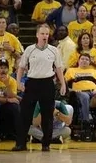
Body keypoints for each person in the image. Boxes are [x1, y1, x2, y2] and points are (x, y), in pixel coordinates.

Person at [13, 24, 66, 152]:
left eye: (46, 34)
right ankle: (21, 143)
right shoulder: (29, 49)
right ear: (37, 35)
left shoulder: (54, 50)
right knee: (25, 114)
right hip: (32, 83)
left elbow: (59, 68)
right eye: (42, 33)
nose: (44, 36)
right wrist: (18, 82)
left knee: (47, 115)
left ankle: (46, 144)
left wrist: (63, 83)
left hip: (47, 83)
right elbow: (21, 67)